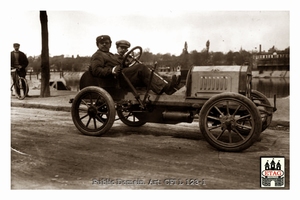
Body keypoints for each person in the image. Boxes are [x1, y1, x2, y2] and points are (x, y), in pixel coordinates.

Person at [89, 35, 179, 95]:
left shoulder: (111, 55)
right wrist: (112, 71)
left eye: (107, 43)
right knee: (141, 68)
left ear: (110, 44)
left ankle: (169, 84)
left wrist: (128, 64)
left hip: (122, 77)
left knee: (148, 68)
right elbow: (95, 71)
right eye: (102, 43)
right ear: (98, 45)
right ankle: (166, 88)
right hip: (115, 81)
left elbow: (121, 66)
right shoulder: (98, 55)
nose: (104, 44)